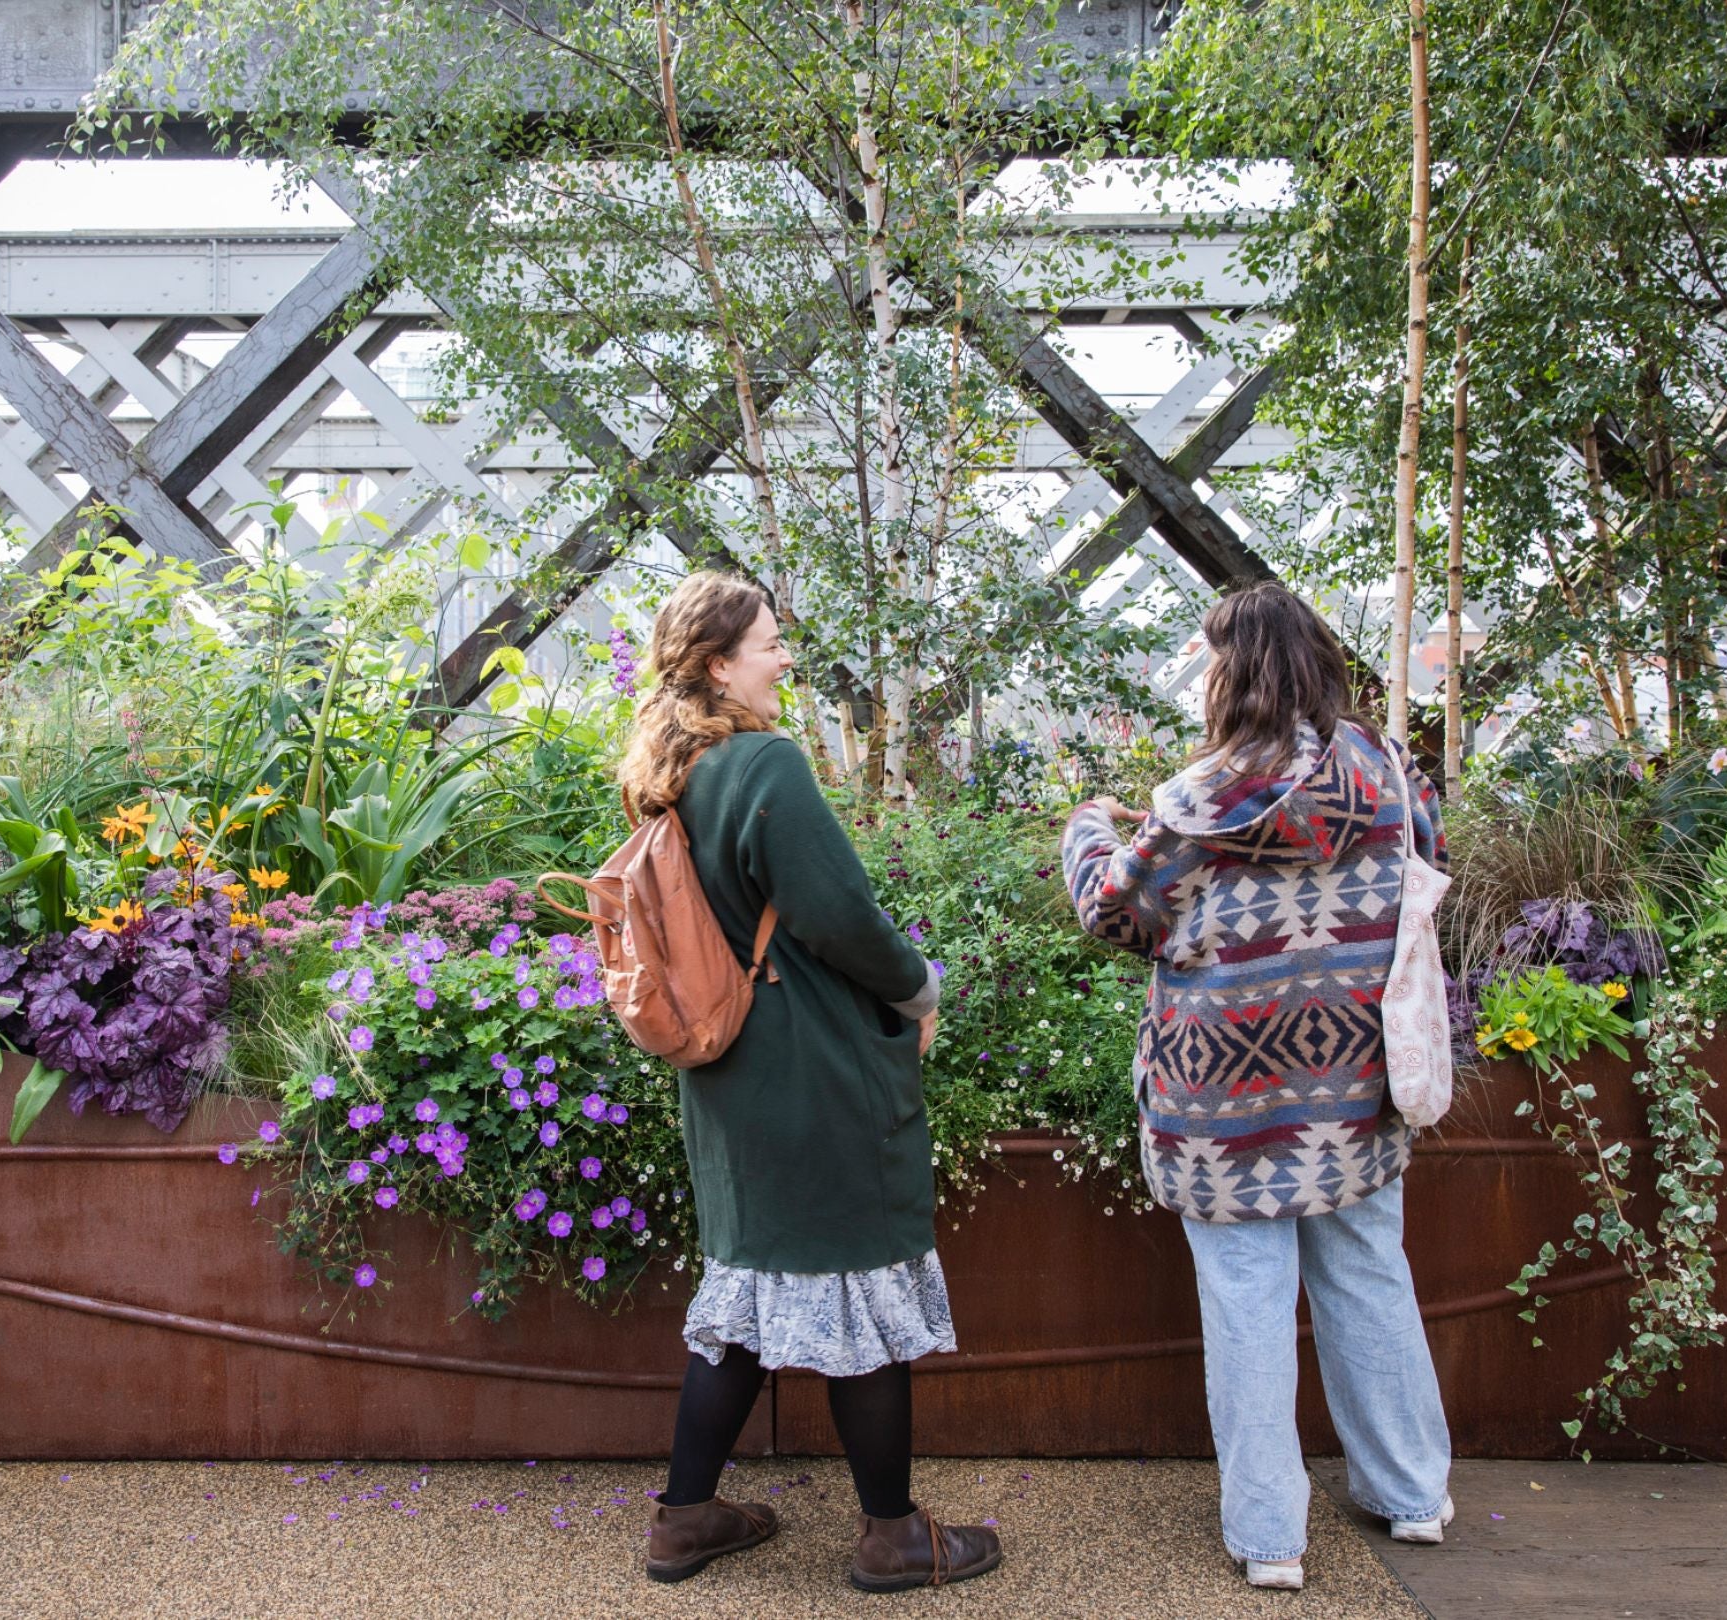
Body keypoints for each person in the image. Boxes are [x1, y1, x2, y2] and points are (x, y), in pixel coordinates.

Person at [1059, 582, 1455, 1592]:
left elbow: (1117, 912)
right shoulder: (1390, 771)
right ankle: (1412, 1496)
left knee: (1246, 1300)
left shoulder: (1197, 802)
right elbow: (1428, 874)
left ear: (1234, 672)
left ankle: (1273, 1538)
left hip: (1220, 1101)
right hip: (1353, 1081)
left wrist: (1089, 830)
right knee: (1369, 1272)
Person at [621, 571, 1002, 1593]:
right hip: (808, 1064)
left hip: (729, 1072)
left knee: (755, 1287)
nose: (785, 658)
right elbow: (837, 912)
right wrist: (919, 990)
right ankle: (892, 1537)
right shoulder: (764, 765)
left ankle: (686, 1520)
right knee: (854, 1275)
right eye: (770, 644)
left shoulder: (673, 773)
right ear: (719, 664)